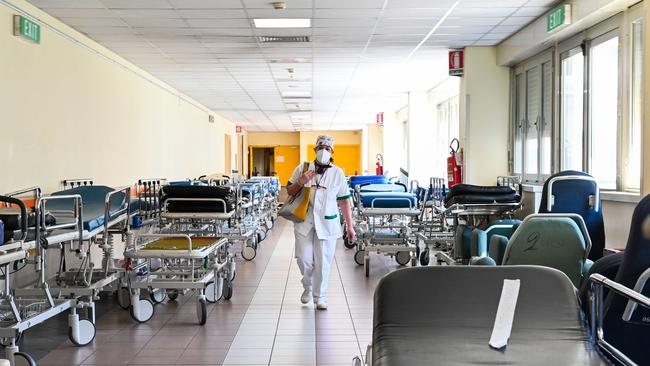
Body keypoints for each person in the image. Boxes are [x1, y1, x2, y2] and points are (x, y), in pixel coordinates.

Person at [286, 135, 356, 310]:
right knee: (304, 259)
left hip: (327, 222)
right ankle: (308, 287)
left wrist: (350, 226)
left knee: (323, 262)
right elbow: (289, 190)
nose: (323, 150)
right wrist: (301, 181)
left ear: (332, 152)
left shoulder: (337, 172)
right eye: (320, 147)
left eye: (327, 148)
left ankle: (320, 297)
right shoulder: (302, 168)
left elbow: (344, 201)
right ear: (315, 150)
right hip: (305, 221)